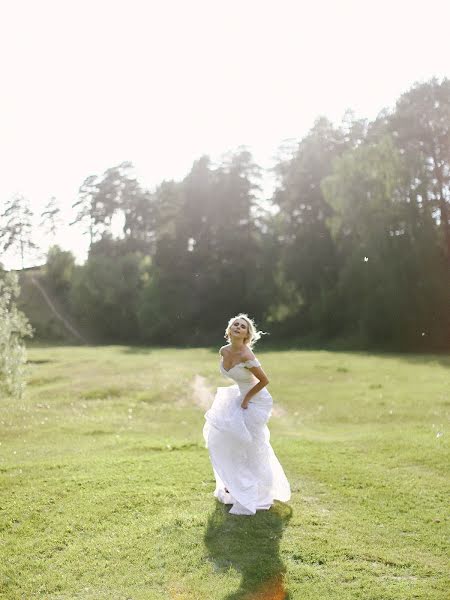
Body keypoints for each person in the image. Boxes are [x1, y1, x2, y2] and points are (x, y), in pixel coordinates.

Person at [203, 313, 291, 516]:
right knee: (221, 437)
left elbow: (264, 381)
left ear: (246, 335)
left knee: (249, 444)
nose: (238, 327)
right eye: (235, 324)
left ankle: (255, 490)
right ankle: (232, 484)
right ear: (229, 330)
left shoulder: (247, 355)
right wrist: (240, 397)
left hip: (257, 399)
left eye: (242, 326)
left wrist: (245, 399)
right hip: (241, 395)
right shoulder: (224, 351)